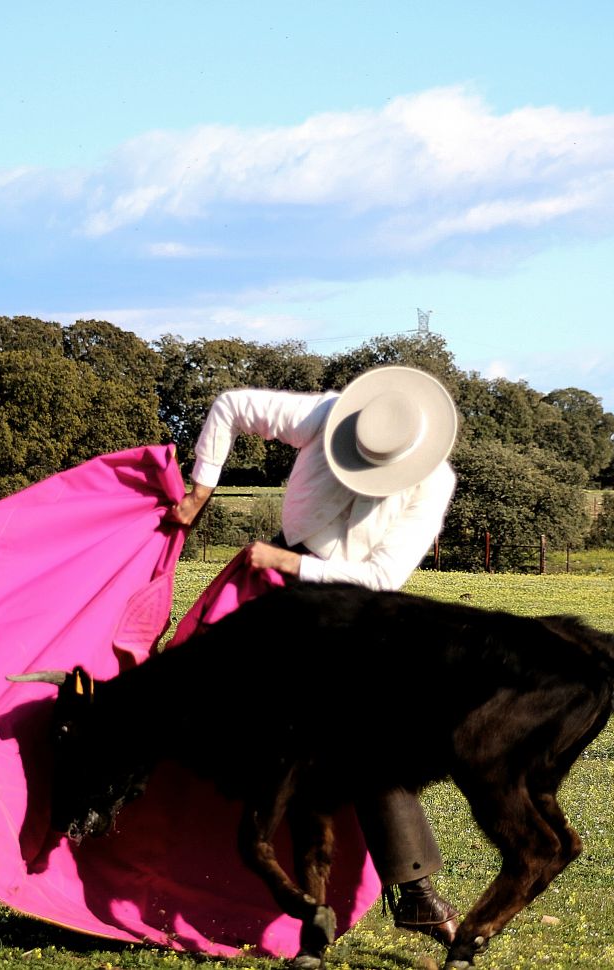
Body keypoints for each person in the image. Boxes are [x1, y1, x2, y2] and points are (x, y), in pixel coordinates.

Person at [169, 365, 462, 947]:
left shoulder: (433, 483)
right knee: (183, 692)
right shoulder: (328, 415)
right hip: (268, 587)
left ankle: (415, 892)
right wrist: (201, 488)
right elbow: (230, 405)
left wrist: (291, 564)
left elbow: (381, 577)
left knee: (371, 736)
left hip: (350, 609)